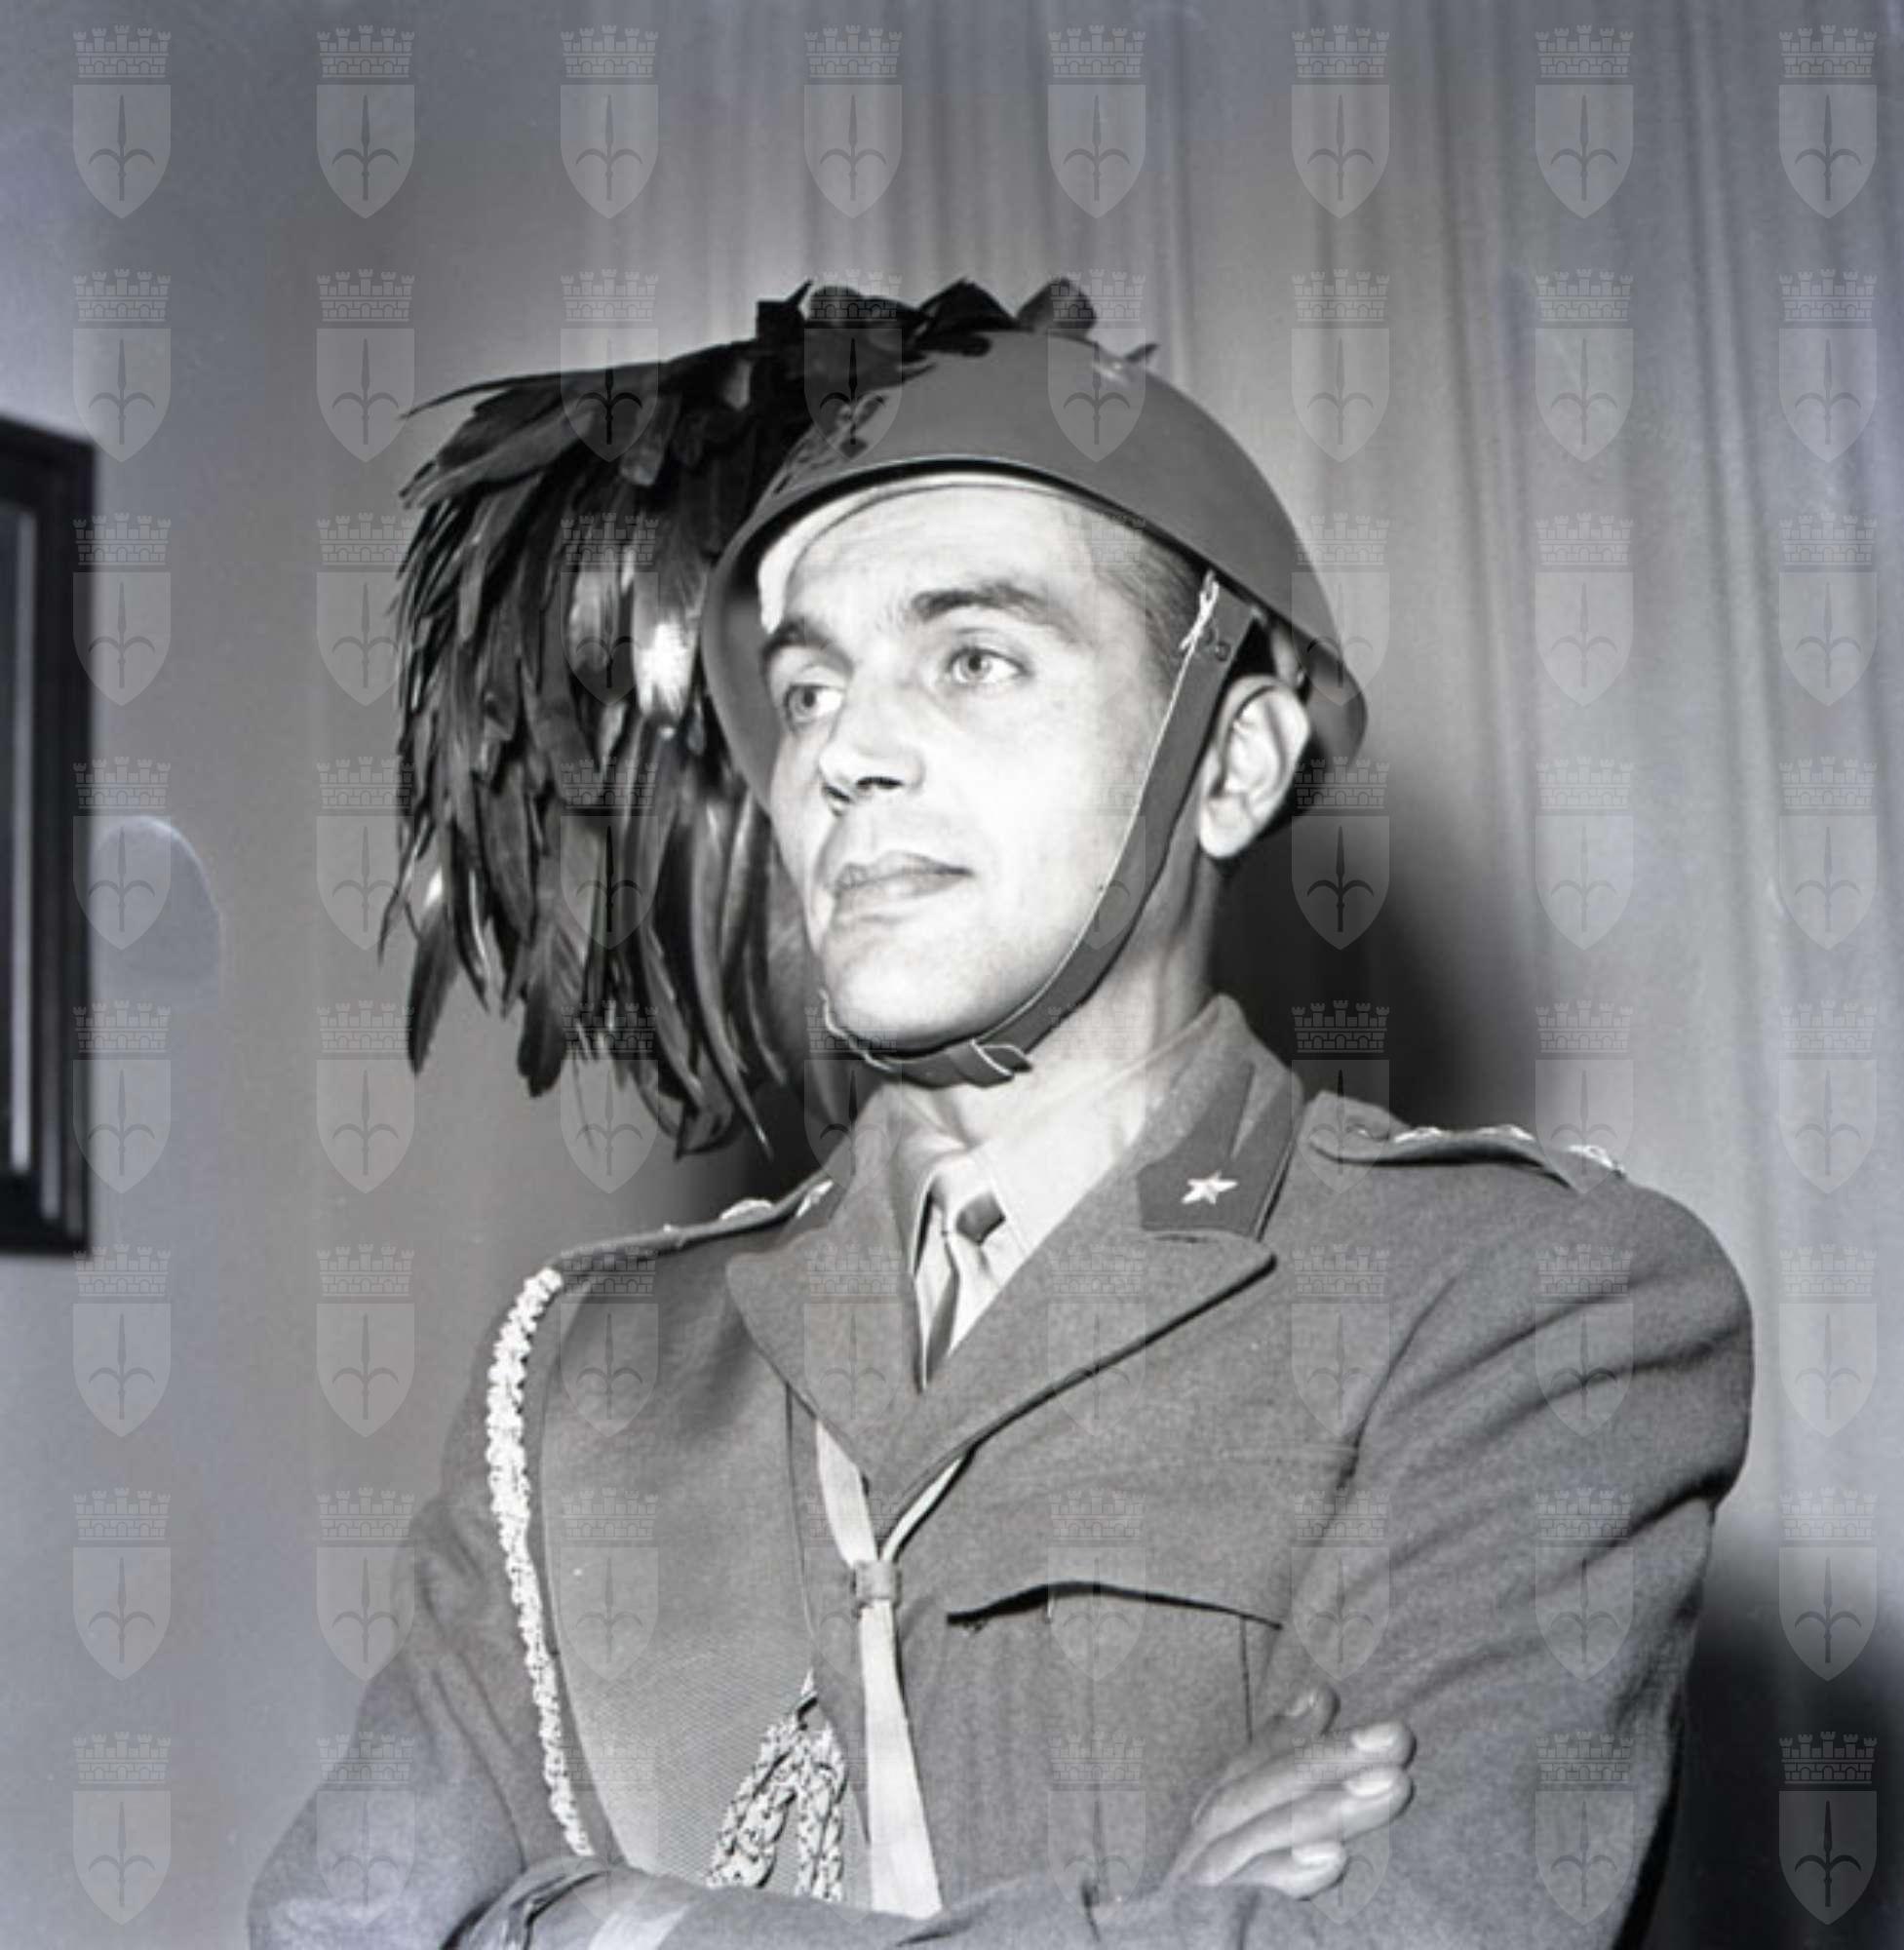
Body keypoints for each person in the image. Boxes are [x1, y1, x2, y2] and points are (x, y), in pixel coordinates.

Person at [250, 281, 1753, 1948]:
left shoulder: (1513, 1300)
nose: (846, 755)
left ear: (1232, 764)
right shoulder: (587, 1375)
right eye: (808, 692)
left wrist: (618, 1926)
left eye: (971, 658)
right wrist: (1158, 1921)